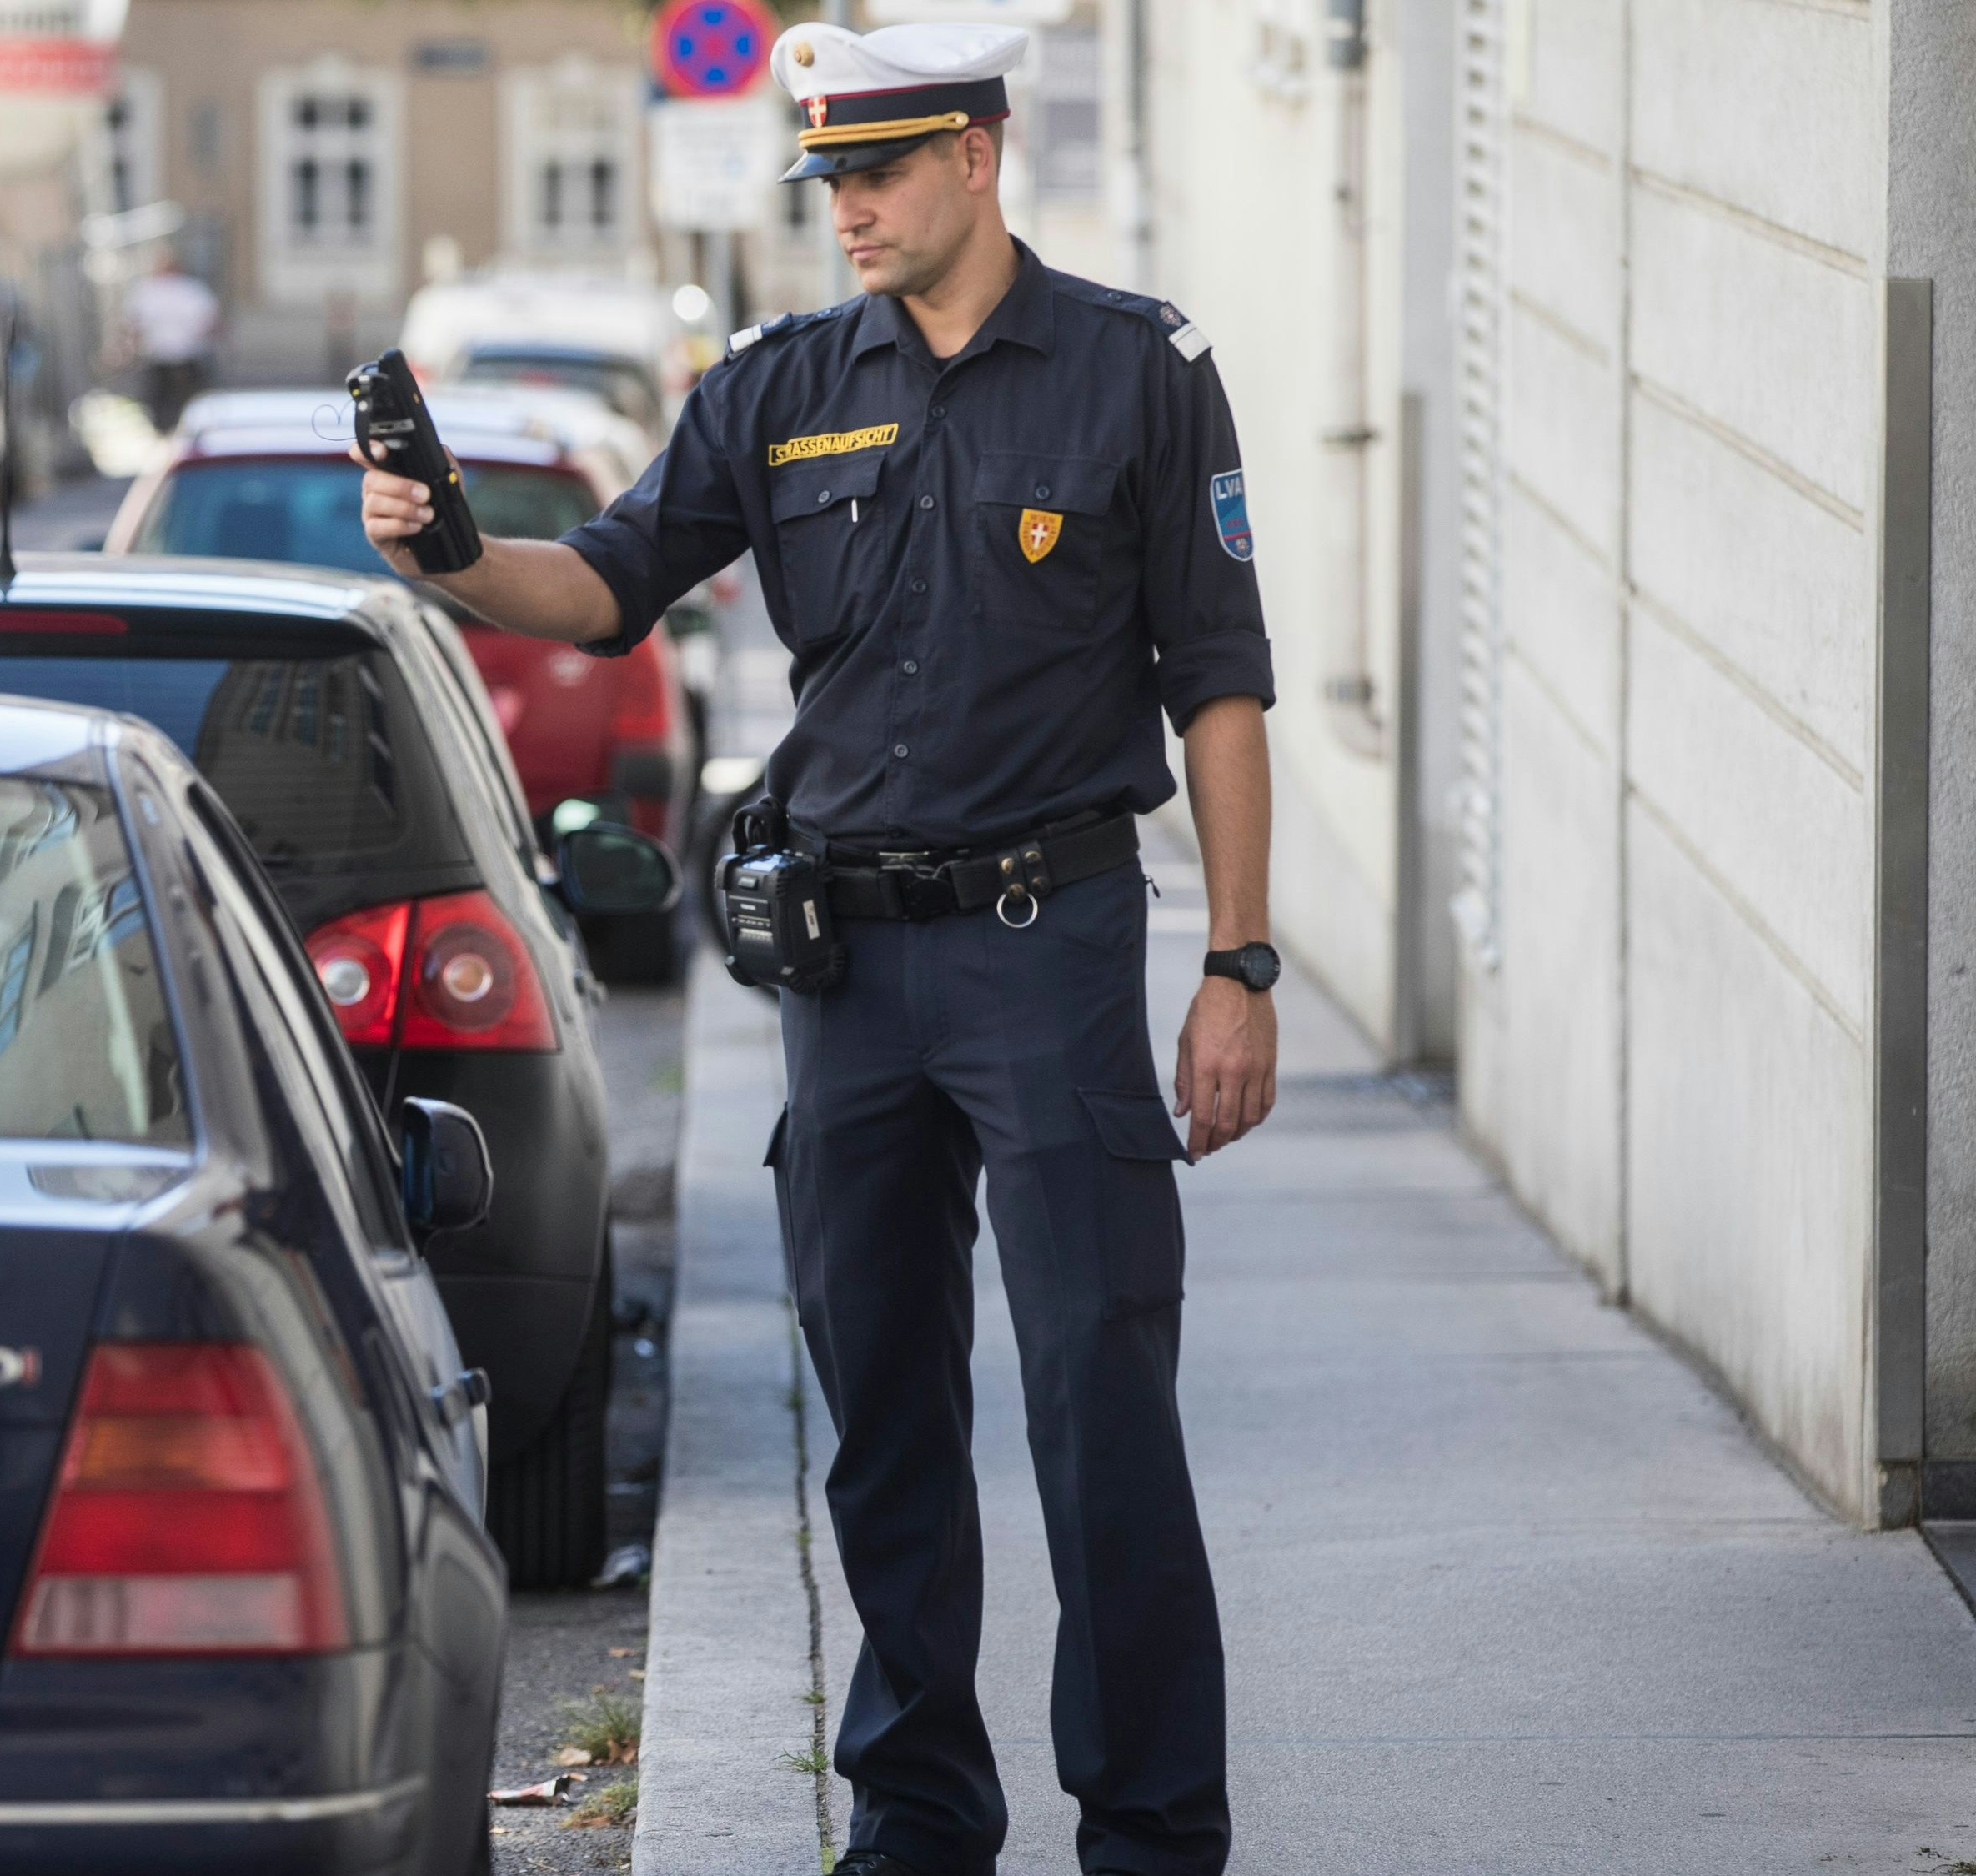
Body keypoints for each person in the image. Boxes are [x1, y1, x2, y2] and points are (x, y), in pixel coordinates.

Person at [354, 19, 1277, 1876]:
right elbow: (604, 585)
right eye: (829, 179)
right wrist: (449, 550)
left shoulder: (1137, 372)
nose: (844, 209)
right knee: (880, 1421)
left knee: (1099, 1397)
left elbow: (1220, 689)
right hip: (847, 968)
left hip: (1047, 938)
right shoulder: (779, 386)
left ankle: (1151, 1832)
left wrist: (1238, 967)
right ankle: (917, 1820)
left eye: (877, 172)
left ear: (976, 156)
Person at [121, 248, 220, 430]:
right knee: (175, 404)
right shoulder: (156, 290)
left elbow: (134, 325)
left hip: (180, 357)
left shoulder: (155, 291)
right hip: (169, 357)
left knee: (176, 405)